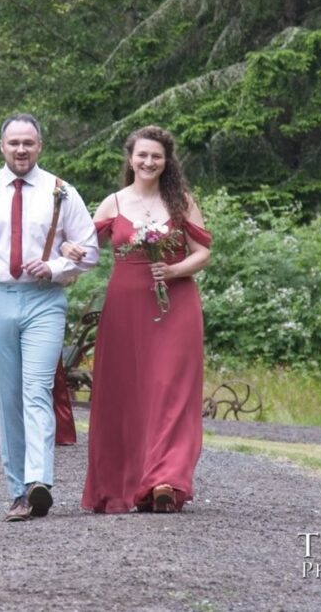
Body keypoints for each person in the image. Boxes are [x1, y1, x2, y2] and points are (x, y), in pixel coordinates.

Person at [0, 113, 98, 522]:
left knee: (36, 390)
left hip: (44, 301)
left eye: (28, 142)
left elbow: (90, 250)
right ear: (2, 146)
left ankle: (39, 481)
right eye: (14, 143)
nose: (21, 149)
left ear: (40, 146)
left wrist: (57, 267)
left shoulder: (61, 191)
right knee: (8, 398)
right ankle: (17, 491)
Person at [73, 125, 212, 514]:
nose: (149, 162)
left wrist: (174, 270)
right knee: (127, 392)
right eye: (142, 155)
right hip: (124, 311)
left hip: (176, 306)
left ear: (167, 162)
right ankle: (123, 481)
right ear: (130, 158)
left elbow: (203, 252)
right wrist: (65, 250)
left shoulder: (181, 201)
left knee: (170, 390)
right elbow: (85, 250)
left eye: (157, 156)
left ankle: (165, 480)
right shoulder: (113, 203)